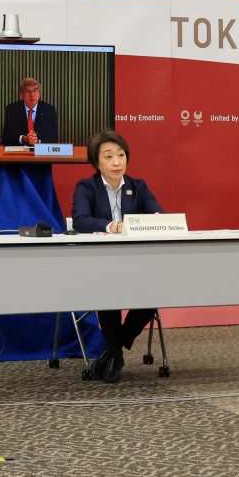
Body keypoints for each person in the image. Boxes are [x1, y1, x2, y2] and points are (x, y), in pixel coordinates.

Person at [71, 130, 162, 383]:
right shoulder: (86, 187)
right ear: (96, 162)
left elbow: (158, 216)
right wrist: (113, 226)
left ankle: (114, 348)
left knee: (155, 293)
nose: (116, 162)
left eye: (121, 155)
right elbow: (80, 221)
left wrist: (155, 219)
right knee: (107, 289)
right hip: (98, 263)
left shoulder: (138, 186)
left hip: (135, 264)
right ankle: (114, 354)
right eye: (109, 156)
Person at [1, 77, 58, 146]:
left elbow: (53, 138)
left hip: (41, 152)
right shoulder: (12, 109)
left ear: (39, 93)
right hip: (19, 153)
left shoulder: (49, 110)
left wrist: (37, 141)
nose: (32, 94)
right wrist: (23, 138)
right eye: (28, 91)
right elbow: (6, 138)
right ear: (22, 95)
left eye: (35, 91)